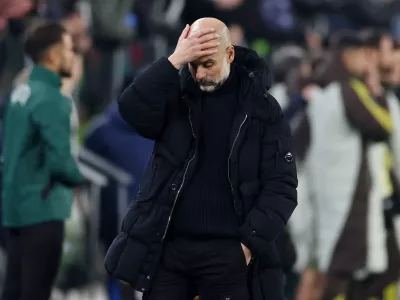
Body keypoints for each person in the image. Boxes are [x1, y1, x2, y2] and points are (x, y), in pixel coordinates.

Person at [105, 17, 298, 300]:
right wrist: (174, 60)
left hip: (229, 251)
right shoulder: (176, 95)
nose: (200, 74)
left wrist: (247, 246)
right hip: (171, 249)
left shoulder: (262, 108)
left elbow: (282, 185)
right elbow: (132, 110)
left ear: (229, 54)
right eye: (193, 65)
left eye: (208, 64)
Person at [1, 22, 84, 300]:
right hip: (43, 209)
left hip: (15, 208)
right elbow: (59, 161)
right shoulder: (53, 99)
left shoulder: (19, 93)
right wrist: (77, 179)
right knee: (36, 292)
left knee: (13, 289)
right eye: (69, 50)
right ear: (52, 56)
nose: (73, 55)